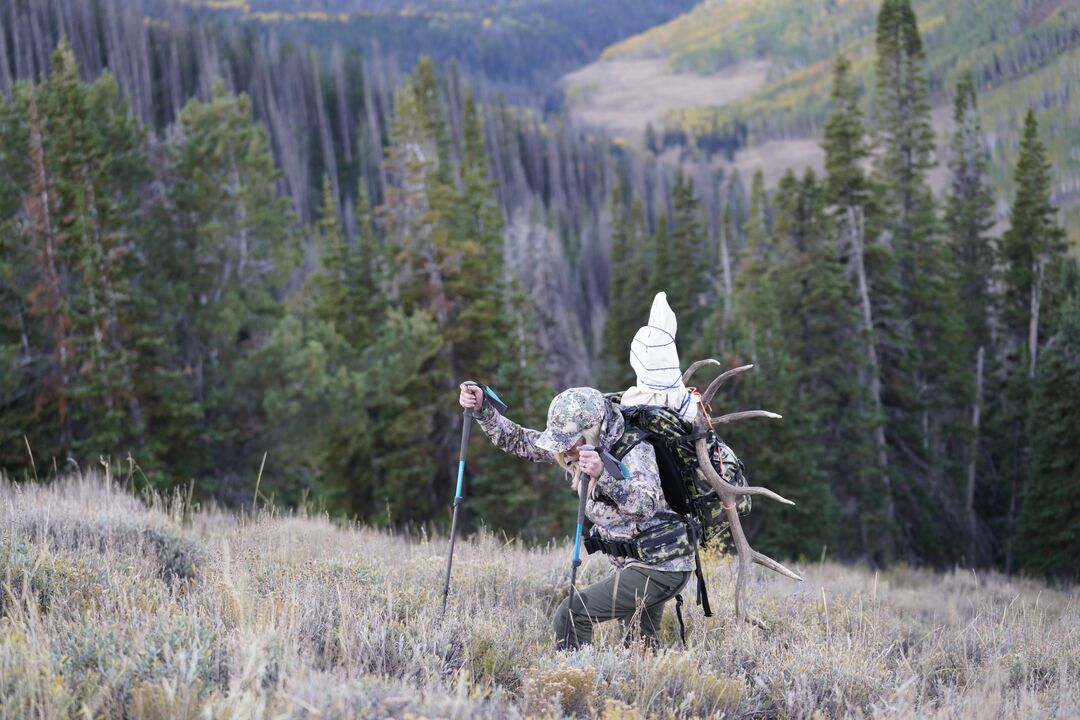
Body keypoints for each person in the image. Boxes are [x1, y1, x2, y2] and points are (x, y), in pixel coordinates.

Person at [458, 383, 694, 649]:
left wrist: (604, 475)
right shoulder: (578, 449)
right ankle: (642, 676)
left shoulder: (635, 450)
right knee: (640, 646)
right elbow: (521, 441)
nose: (564, 451)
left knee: (572, 614)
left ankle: (574, 673)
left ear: (591, 432)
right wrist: (483, 410)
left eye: (569, 441)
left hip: (661, 566)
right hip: (639, 562)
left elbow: (645, 506)